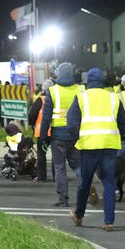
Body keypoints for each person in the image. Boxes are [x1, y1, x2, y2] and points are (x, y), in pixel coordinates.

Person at [67, 67, 125, 231]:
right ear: (103, 81)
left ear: (88, 81)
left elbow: (72, 123)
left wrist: (79, 137)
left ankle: (79, 215)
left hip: (89, 145)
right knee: (109, 183)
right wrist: (115, 135)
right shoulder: (113, 97)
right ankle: (108, 221)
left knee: (85, 183)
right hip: (109, 145)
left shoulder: (81, 97)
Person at [39, 63, 84, 207]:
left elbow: (46, 117)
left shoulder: (52, 91)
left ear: (59, 74)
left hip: (58, 135)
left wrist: (42, 136)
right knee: (78, 166)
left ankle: (63, 198)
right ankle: (86, 190)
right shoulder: (81, 89)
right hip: (76, 134)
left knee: (59, 168)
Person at [27, 79, 51, 182]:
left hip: (42, 132)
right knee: (56, 156)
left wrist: (32, 124)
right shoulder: (57, 98)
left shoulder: (41, 99)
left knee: (42, 154)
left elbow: (32, 115)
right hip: (56, 131)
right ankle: (58, 175)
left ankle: (41, 176)